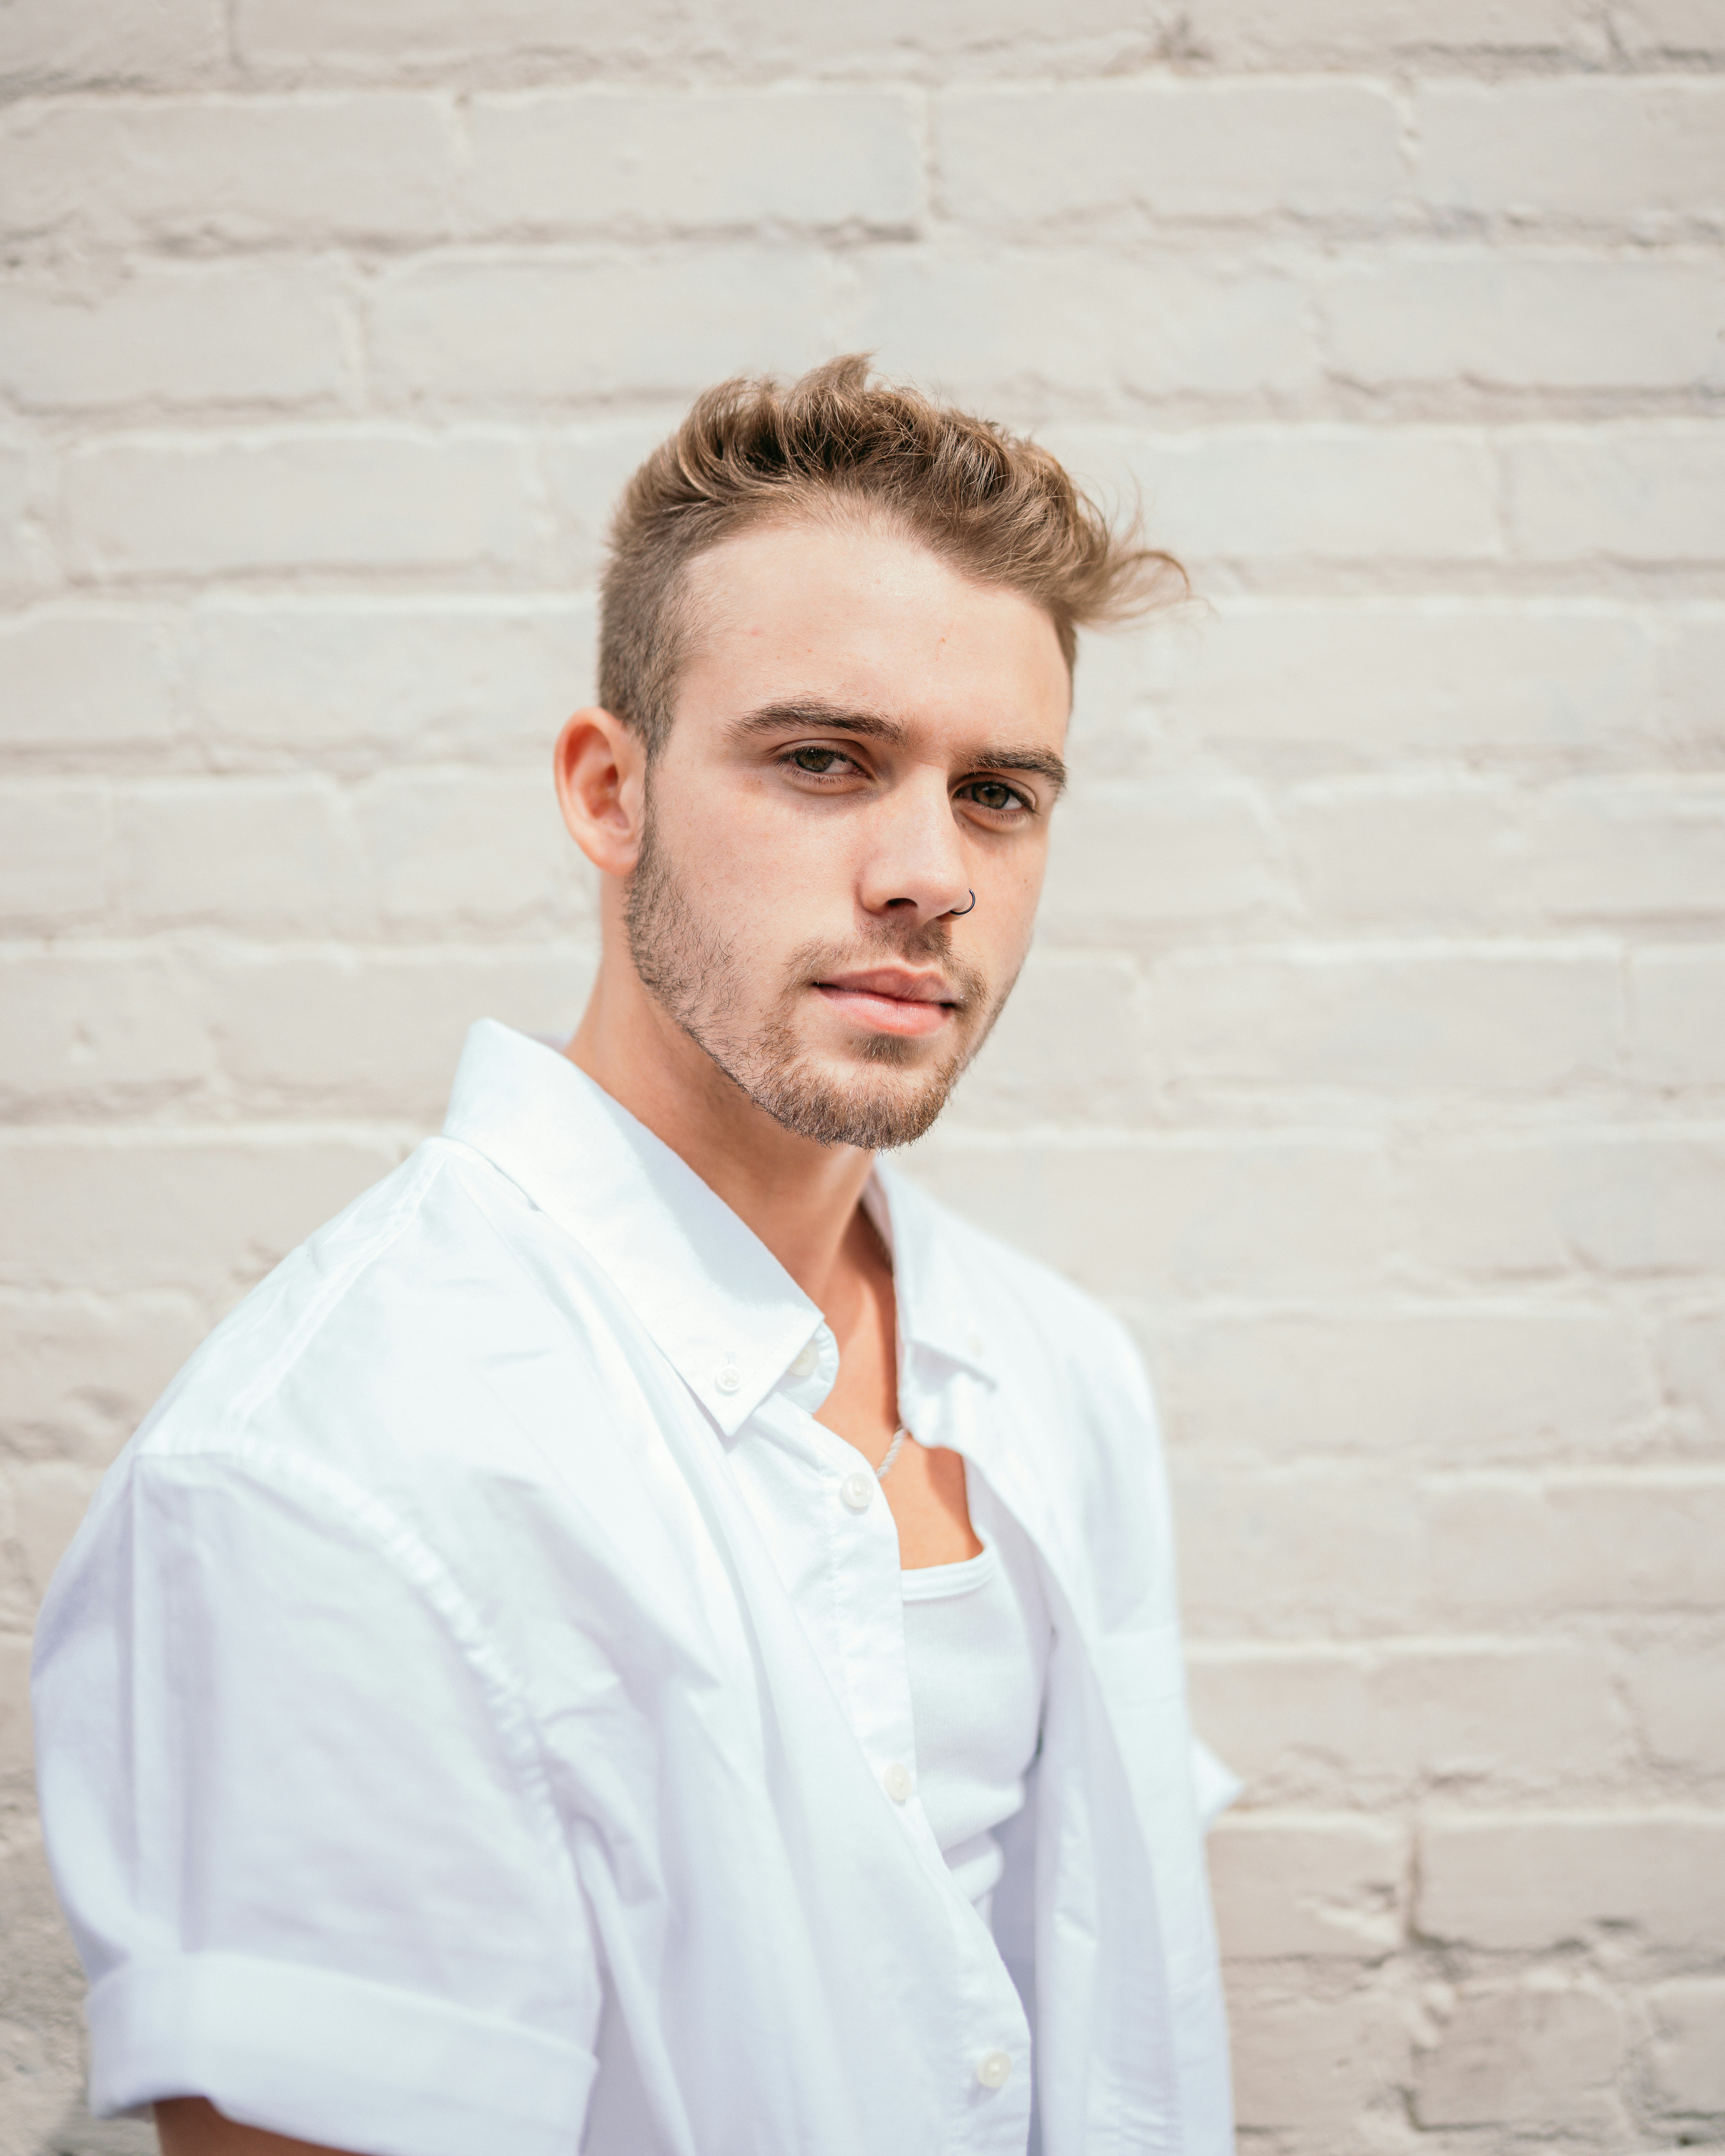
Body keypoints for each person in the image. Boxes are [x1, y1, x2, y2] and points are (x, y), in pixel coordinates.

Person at [32, 356, 1237, 2156]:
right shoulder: (328, 1476)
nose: (930, 872)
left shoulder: (1056, 1368)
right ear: (610, 790)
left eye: (999, 792)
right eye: (823, 759)